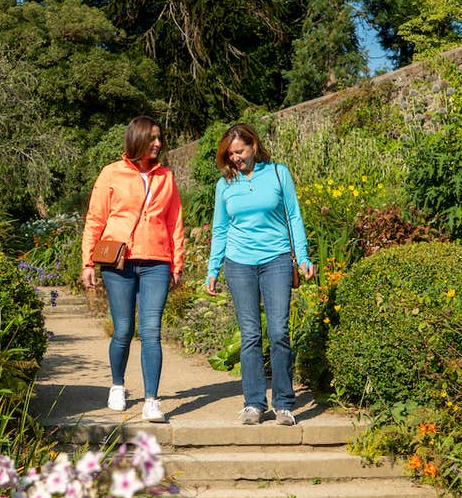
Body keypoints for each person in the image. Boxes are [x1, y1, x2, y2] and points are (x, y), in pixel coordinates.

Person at [204, 123, 315, 426]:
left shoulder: (278, 173)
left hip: (276, 259)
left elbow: (293, 215)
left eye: (240, 151)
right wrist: (212, 270)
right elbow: (220, 229)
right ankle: (254, 403)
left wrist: (303, 257)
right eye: (231, 154)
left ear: (253, 146)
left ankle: (283, 404)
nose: (236, 158)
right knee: (250, 335)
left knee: (279, 332)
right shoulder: (224, 184)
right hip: (238, 263)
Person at [81, 116, 185, 423]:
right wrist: (88, 261)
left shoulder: (166, 176)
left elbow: (175, 221)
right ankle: (117, 385)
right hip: (119, 262)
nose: (157, 143)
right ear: (136, 138)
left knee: (151, 331)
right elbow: (95, 219)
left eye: (159, 138)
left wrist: (177, 262)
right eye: (152, 137)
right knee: (123, 329)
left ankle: (152, 400)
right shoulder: (111, 173)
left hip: (157, 262)